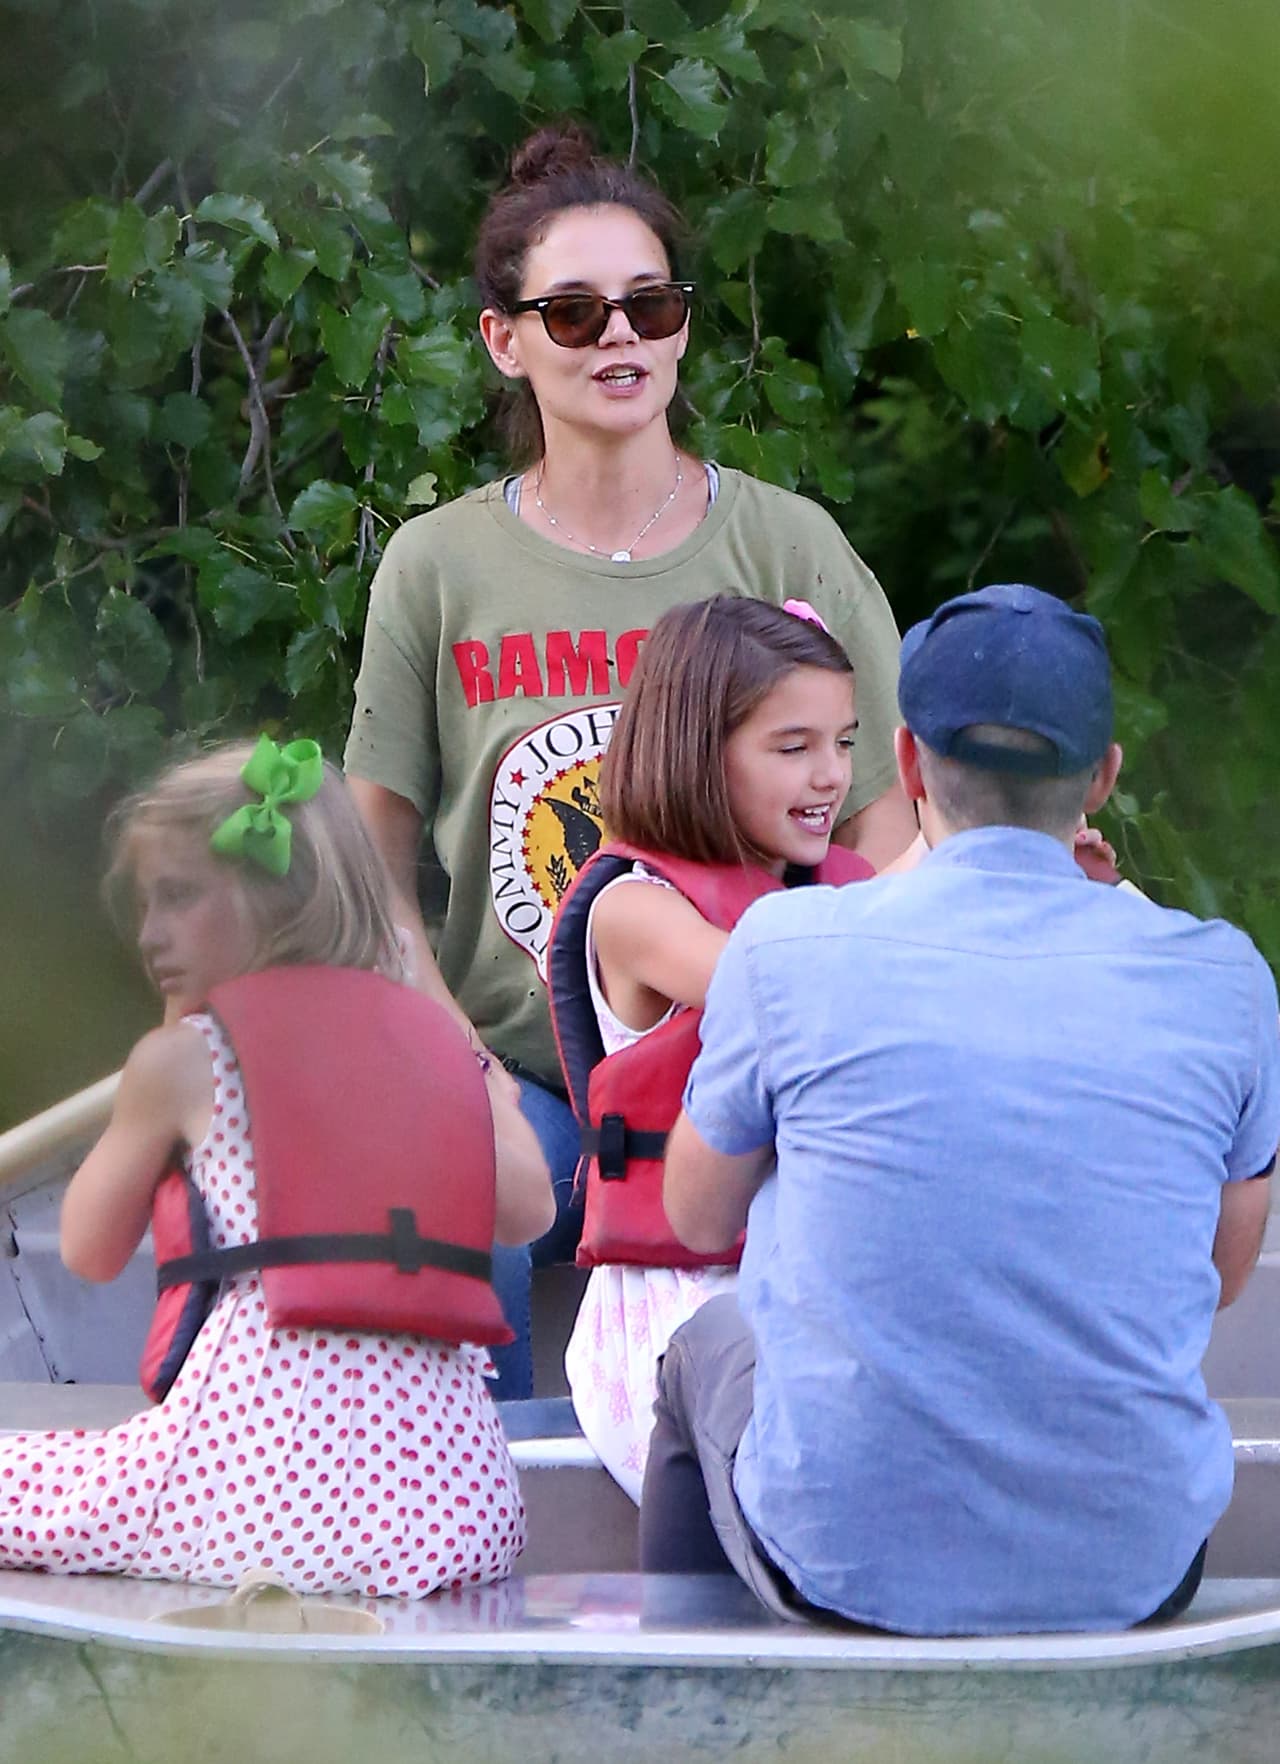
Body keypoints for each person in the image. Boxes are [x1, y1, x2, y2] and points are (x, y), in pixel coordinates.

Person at [342, 121, 916, 1398]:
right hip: (525, 1074)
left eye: (647, 304)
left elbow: (888, 826)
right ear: (505, 339)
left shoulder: (782, 544)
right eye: (573, 311)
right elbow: (367, 855)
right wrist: (454, 1061)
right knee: (449, 1186)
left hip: (758, 1076)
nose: (617, 337)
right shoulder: (435, 567)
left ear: (680, 327)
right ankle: (464, 1533)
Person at [641, 583, 1280, 1635]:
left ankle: (677, 1722)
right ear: (1103, 776)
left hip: (839, 1570)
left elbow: (697, 1219)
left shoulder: (787, 951)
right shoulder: (1224, 979)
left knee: (703, 1344)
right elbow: (1217, 1274)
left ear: (903, 763)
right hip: (1134, 1567)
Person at [0, 738, 552, 1597]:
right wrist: (468, 1060)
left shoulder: (186, 1057)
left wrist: (171, 1034)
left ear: (274, 896)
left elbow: (88, 1250)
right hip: (458, 1513)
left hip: (261, 1501)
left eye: (177, 899)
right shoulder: (441, 1049)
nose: (150, 934)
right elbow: (527, 1215)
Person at [547, 596, 873, 1500]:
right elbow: (779, 988)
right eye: (792, 746)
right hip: (675, 1313)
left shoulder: (838, 894)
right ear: (699, 750)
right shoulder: (635, 908)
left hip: (807, 1274)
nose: (830, 776)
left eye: (844, 742)